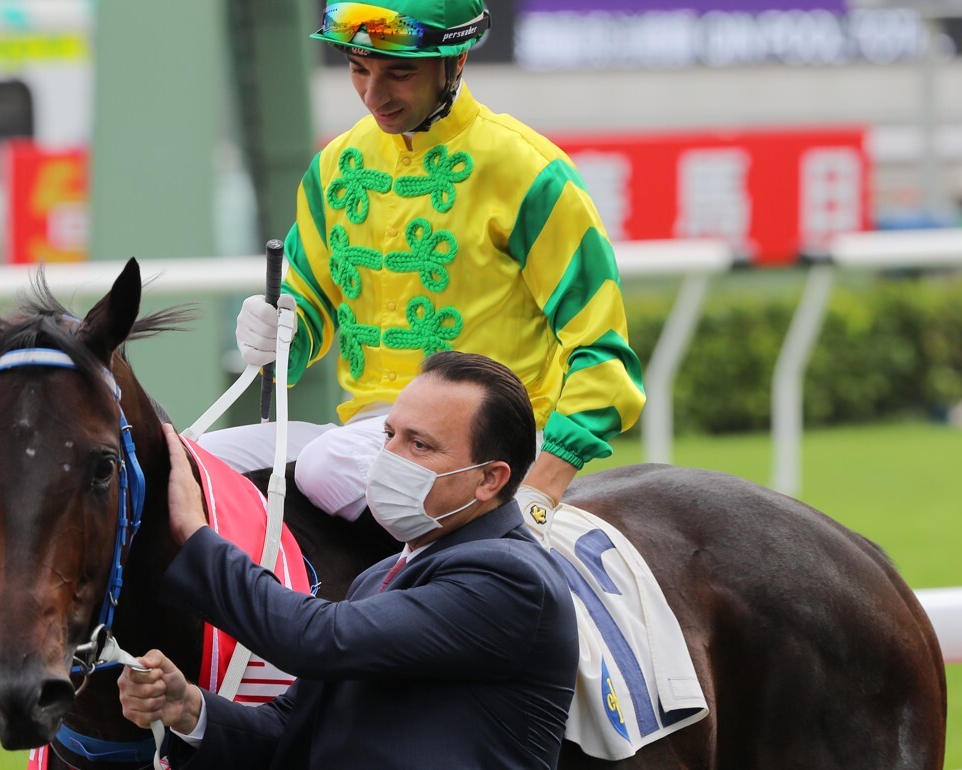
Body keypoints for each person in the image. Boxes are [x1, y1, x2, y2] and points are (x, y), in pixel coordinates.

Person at [199, 0, 645, 532]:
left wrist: (541, 485)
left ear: (454, 64)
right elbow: (311, 303)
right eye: (358, 69)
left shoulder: (529, 171)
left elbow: (602, 354)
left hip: (487, 446)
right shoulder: (335, 167)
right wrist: (280, 332)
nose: (373, 94)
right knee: (192, 460)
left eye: (400, 72)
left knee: (326, 467)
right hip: (367, 434)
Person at [121, 352, 578, 768]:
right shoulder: (379, 577)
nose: (388, 457)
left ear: (490, 479)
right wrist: (188, 710)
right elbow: (289, 731)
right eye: (389, 434)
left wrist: (198, 537)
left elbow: (318, 638)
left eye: (419, 445)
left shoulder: (511, 578)